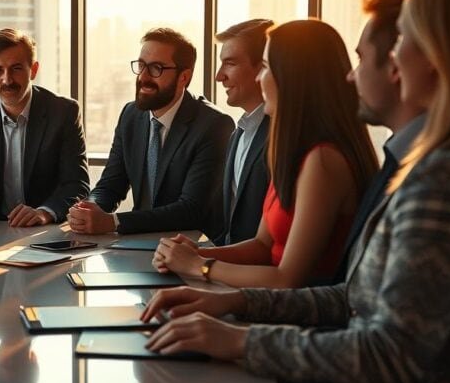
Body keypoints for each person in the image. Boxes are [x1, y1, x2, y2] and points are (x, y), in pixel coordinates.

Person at [141, 0, 450, 383]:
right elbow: (355, 299)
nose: (374, 65)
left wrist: (242, 341)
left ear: (440, 54)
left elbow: (390, 356)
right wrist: (235, 305)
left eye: (403, 39)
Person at [154, 19, 378, 288]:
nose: (260, 78)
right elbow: (262, 245)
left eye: (267, 67)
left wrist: (198, 265)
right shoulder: (294, 152)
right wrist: (195, 254)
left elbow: (287, 278)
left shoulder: (323, 161)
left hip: (295, 317)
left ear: (294, 77)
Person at [68, 28, 233, 236]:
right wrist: (87, 209)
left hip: (189, 247)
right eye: (141, 65)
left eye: (156, 68)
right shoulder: (131, 114)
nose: (143, 77)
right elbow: (111, 185)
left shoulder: (214, 125)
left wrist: (114, 222)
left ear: (184, 77)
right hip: (136, 244)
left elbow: (192, 209)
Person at [0, 28, 89, 228]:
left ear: (34, 69)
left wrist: (44, 213)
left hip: (44, 230)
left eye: (16, 68)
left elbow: (77, 185)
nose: (7, 79)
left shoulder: (63, 112)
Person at [337, 0, 426, 281]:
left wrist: (243, 328)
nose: (351, 75)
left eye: (361, 59)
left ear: (394, 66)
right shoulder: (399, 156)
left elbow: (392, 328)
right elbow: (355, 294)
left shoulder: (435, 177)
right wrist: (240, 301)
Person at [213, 19, 274, 245]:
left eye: (230, 63)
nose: (219, 76)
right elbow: (232, 231)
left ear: (263, 67)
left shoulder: (282, 138)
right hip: (229, 268)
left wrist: (202, 261)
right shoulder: (238, 133)